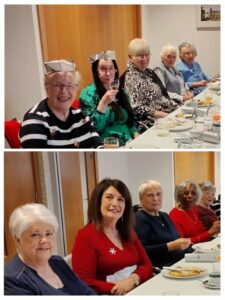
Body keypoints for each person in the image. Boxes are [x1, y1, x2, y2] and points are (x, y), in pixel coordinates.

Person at [72, 178, 153, 295]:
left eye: (121, 199)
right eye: (109, 197)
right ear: (98, 201)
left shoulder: (129, 232)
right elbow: (83, 281)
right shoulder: (86, 236)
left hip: (136, 290)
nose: (115, 203)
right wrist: (118, 288)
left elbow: (147, 265)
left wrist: (133, 279)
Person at [4, 203, 97, 295]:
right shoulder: (12, 279)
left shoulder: (57, 261)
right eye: (35, 235)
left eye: (49, 234)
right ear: (18, 240)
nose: (44, 240)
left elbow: (87, 292)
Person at [19, 59, 101, 148]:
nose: (64, 91)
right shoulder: (34, 120)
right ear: (47, 88)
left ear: (76, 88)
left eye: (69, 85)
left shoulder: (82, 117)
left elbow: (98, 148)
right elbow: (38, 159)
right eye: (57, 85)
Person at [79, 51, 139, 146]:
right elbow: (93, 129)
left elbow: (131, 119)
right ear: (96, 71)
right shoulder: (88, 93)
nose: (108, 73)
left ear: (115, 70)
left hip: (129, 141)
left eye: (111, 68)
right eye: (103, 69)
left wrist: (135, 134)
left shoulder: (120, 90)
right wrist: (103, 103)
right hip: (107, 144)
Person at [120, 38, 180, 133]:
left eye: (146, 55)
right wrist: (162, 114)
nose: (144, 59)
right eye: (140, 56)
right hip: (147, 120)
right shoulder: (129, 77)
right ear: (130, 57)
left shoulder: (149, 72)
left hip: (163, 114)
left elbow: (163, 96)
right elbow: (135, 108)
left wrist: (176, 107)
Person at [135, 180, 192, 269]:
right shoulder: (139, 218)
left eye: (158, 194)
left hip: (179, 264)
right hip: (161, 269)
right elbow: (141, 252)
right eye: (150, 195)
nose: (155, 198)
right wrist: (169, 246)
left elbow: (176, 239)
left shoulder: (164, 215)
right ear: (141, 199)